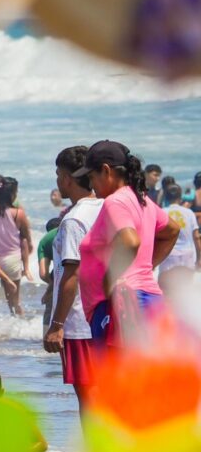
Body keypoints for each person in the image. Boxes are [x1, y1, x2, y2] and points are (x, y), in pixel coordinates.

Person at [75, 140, 177, 347]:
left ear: (106, 171)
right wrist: (146, 266)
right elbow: (172, 230)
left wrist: (109, 281)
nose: (91, 185)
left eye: (91, 177)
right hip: (146, 299)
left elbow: (130, 241)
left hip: (122, 306)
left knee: (117, 369)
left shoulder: (115, 201)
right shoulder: (141, 199)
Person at [43, 146, 103, 420]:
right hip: (105, 315)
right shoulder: (106, 207)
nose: (57, 180)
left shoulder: (74, 219)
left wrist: (57, 325)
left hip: (79, 321)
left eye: (58, 174)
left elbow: (72, 274)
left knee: (89, 397)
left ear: (67, 178)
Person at [0, 176, 33, 316]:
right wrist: (27, 258)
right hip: (12, 259)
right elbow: (25, 236)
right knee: (15, 302)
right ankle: (19, 327)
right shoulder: (18, 213)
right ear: (12, 194)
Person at [156, 184, 200, 294]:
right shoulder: (189, 213)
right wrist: (199, 258)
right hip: (188, 258)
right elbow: (196, 237)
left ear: (165, 197)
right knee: (187, 292)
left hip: (167, 258)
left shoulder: (161, 212)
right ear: (180, 197)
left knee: (168, 292)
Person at [37, 217, 61, 334]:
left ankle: (46, 336)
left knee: (50, 310)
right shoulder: (70, 230)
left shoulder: (45, 240)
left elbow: (43, 274)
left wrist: (51, 288)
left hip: (58, 274)